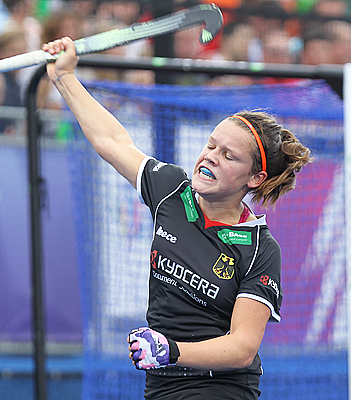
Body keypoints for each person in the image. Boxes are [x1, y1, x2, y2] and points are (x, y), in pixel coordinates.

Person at [42, 37, 312, 400]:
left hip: (220, 389)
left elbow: (242, 348)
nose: (211, 156)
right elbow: (113, 141)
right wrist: (64, 77)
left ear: (254, 178)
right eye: (211, 144)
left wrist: (172, 350)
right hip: (161, 385)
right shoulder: (171, 190)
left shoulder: (260, 249)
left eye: (229, 156)